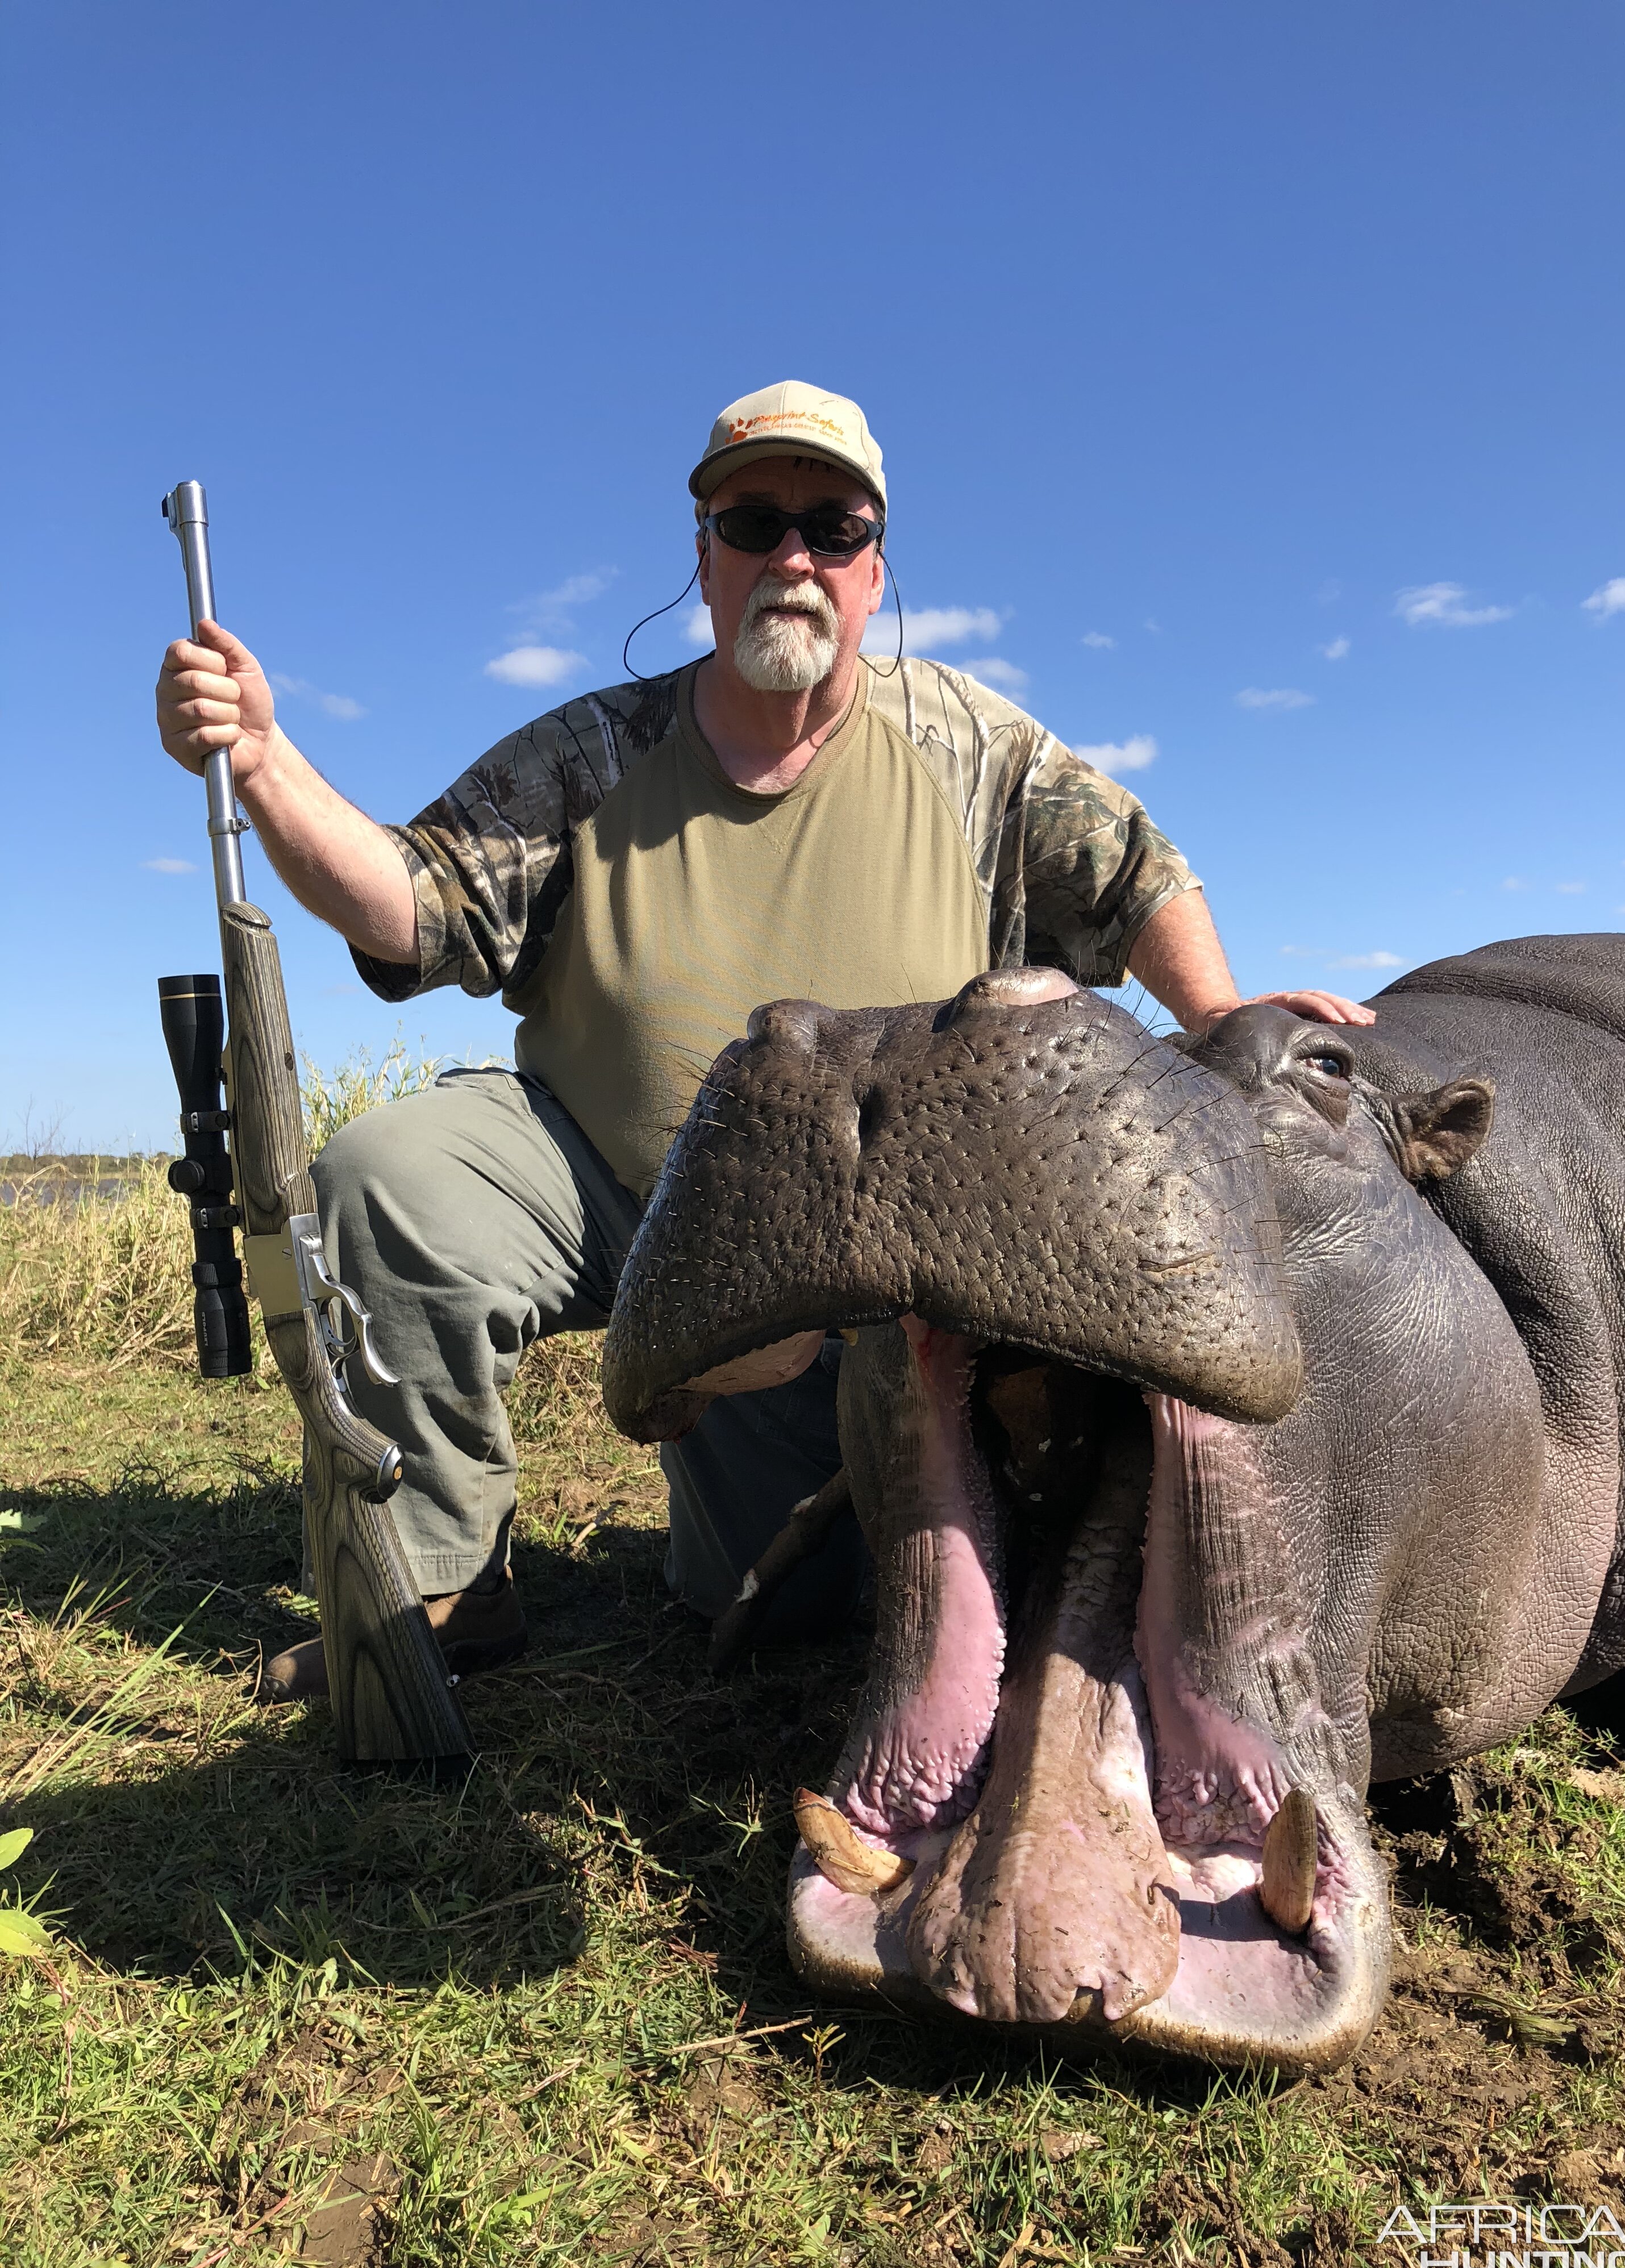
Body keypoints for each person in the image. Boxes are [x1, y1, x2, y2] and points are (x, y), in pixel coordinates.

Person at [155, 380, 1375, 1694]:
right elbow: (413, 904)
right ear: (703, 557)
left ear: (873, 569)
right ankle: (444, 1588)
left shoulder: (966, 740)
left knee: (782, 1615)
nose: (793, 556)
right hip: (607, 1191)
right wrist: (268, 763)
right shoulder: (594, 750)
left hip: (854, 1252)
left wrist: (1226, 1027)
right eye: (754, 521)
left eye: (832, 530)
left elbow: (1135, 872)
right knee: (384, 1183)